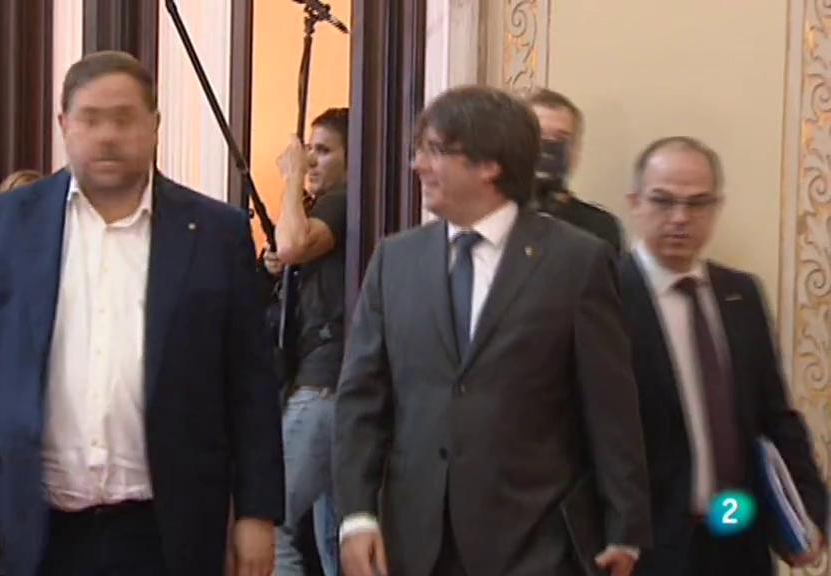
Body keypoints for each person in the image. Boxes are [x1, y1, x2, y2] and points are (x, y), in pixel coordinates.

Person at [0, 50, 284, 576]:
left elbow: (250, 384)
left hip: (168, 530)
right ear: (64, 125)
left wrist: (256, 513)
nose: (108, 135)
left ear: (154, 125)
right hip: (31, 528)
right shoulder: (5, 225)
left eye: (124, 118)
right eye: (91, 119)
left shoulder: (215, 233)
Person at [334, 85, 651, 576]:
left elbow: (610, 407)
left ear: (489, 165)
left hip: (535, 543)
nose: (418, 165)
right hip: (416, 544)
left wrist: (624, 529)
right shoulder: (395, 261)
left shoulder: (576, 261)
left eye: (435, 150)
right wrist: (356, 516)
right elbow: (361, 400)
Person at [619, 136, 828, 575]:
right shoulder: (604, 296)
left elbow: (775, 415)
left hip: (738, 537)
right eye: (663, 201)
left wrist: (811, 511)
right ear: (635, 203)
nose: (680, 218)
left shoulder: (741, 294)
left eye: (698, 203)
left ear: (716, 208)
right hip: (648, 549)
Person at [262, 108, 349, 575]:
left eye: (324, 150)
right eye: (308, 150)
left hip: (322, 385)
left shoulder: (341, 201)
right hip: (327, 383)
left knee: (267, 523)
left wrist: (293, 177)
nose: (311, 160)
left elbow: (294, 244)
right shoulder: (327, 209)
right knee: (335, 539)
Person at [526, 88, 624, 255]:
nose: (548, 148)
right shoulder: (495, 218)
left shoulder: (600, 228)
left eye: (560, 139)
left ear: (576, 150)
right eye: (538, 136)